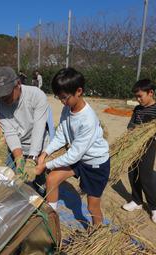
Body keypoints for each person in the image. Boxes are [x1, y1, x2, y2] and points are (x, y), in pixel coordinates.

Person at [35, 67, 110, 226]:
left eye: (64, 97)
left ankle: (98, 231)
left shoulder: (87, 119)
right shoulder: (67, 109)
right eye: (59, 97)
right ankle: (51, 222)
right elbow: (61, 134)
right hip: (79, 157)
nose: (62, 101)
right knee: (52, 179)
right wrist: (44, 153)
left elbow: (73, 155)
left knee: (92, 207)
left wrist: (46, 165)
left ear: (79, 91)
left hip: (95, 164)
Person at [122, 79, 156, 223]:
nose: (138, 99)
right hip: (133, 146)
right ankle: (136, 201)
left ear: (150, 93)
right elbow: (131, 124)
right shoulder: (138, 109)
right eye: (136, 97)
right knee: (132, 174)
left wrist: (148, 133)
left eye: (140, 96)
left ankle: (155, 208)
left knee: (145, 177)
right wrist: (132, 131)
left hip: (148, 146)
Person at [0, 66, 50, 186]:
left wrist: (32, 158)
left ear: (18, 83)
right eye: (1, 95)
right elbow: (10, 133)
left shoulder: (36, 95)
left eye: (7, 94)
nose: (4, 99)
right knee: (16, 184)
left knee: (40, 184)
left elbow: (39, 128)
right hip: (17, 146)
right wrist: (19, 159)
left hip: (39, 146)